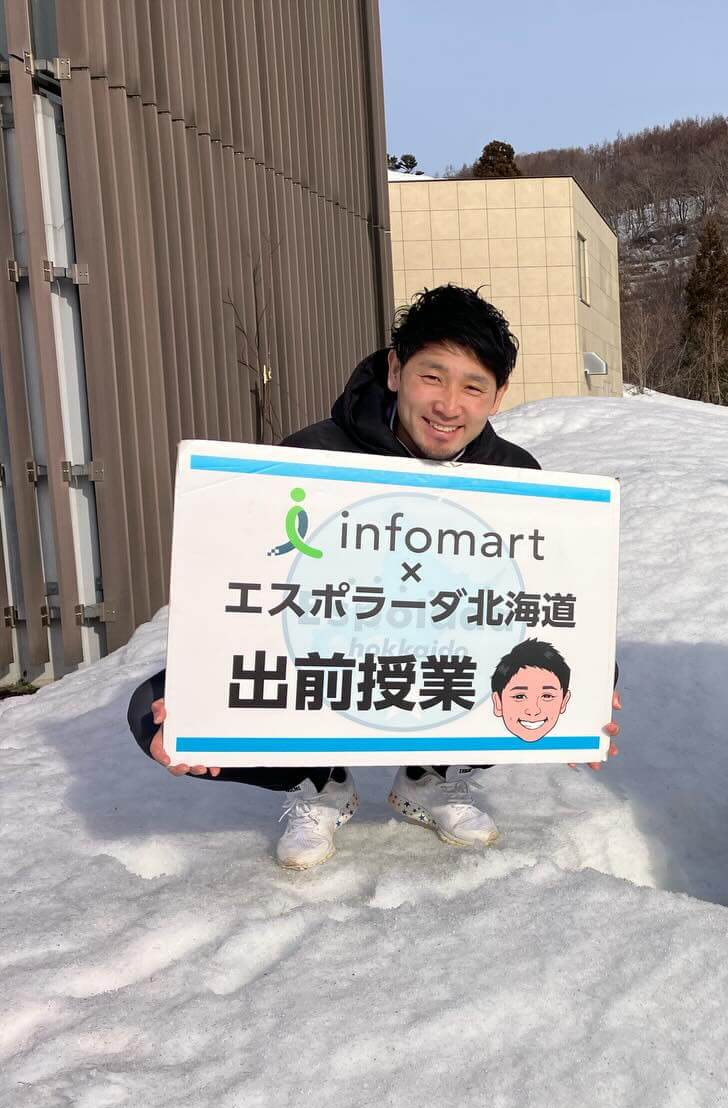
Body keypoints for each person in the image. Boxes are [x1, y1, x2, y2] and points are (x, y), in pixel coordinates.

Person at [127, 285, 620, 870]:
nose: (448, 404)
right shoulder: (314, 457)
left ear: (498, 395)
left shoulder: (515, 477)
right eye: (432, 377)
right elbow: (253, 592)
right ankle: (319, 780)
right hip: (337, 643)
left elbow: (545, 601)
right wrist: (201, 701)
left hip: (439, 648)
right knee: (159, 706)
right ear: (395, 369)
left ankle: (430, 775)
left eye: (472, 386)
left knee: (574, 666)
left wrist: (587, 692)